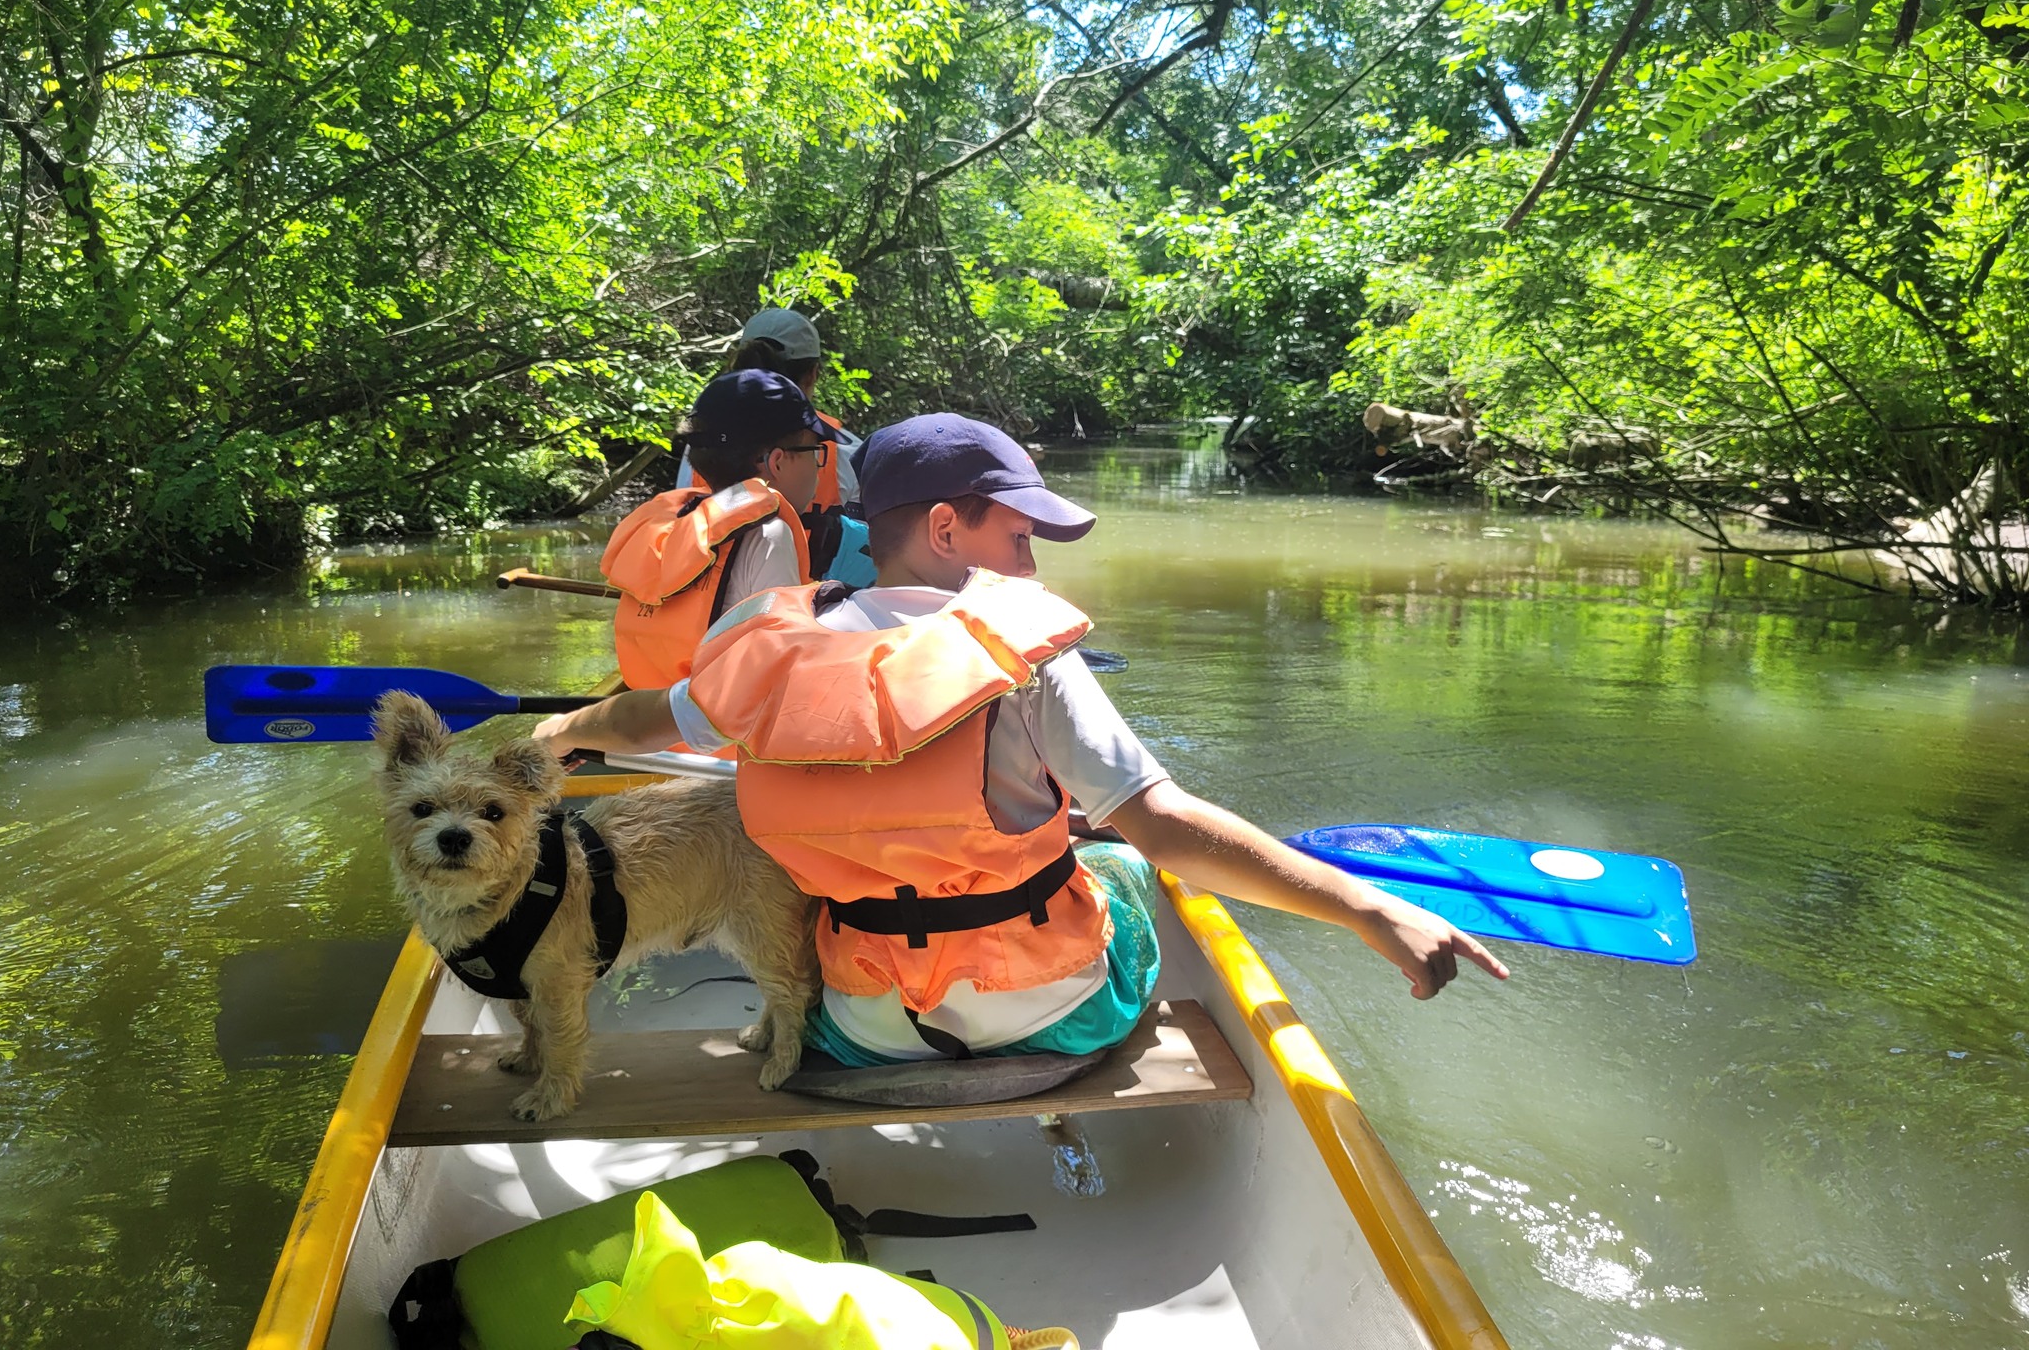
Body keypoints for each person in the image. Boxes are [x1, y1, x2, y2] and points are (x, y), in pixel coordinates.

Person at [543, 413, 1508, 1064]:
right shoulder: (1024, 656)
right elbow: (1167, 826)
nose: (1031, 565)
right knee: (1135, 870)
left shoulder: (757, 650)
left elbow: (641, 717)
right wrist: (1367, 909)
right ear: (946, 529)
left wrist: (562, 732)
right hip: (1048, 1015)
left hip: (863, 1024)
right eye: (1019, 539)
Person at [600, 370, 827, 693]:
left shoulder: (672, 523)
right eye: (816, 454)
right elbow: (779, 674)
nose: (819, 470)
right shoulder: (770, 536)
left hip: (645, 722)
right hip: (715, 741)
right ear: (777, 462)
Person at [675, 308, 867, 580]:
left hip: (703, 598)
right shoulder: (849, 452)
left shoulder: (704, 442)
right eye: (814, 453)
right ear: (813, 374)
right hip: (815, 607)